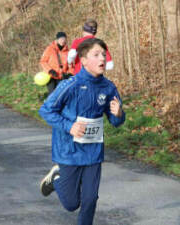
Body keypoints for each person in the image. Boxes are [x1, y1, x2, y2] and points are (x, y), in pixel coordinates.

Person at [39, 38, 125, 225]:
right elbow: (45, 110)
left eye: (103, 54)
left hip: (93, 151)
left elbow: (116, 121)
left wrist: (118, 114)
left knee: (90, 200)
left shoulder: (108, 88)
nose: (102, 58)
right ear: (84, 60)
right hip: (69, 151)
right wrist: (69, 126)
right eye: (96, 54)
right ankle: (56, 180)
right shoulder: (70, 85)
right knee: (71, 204)